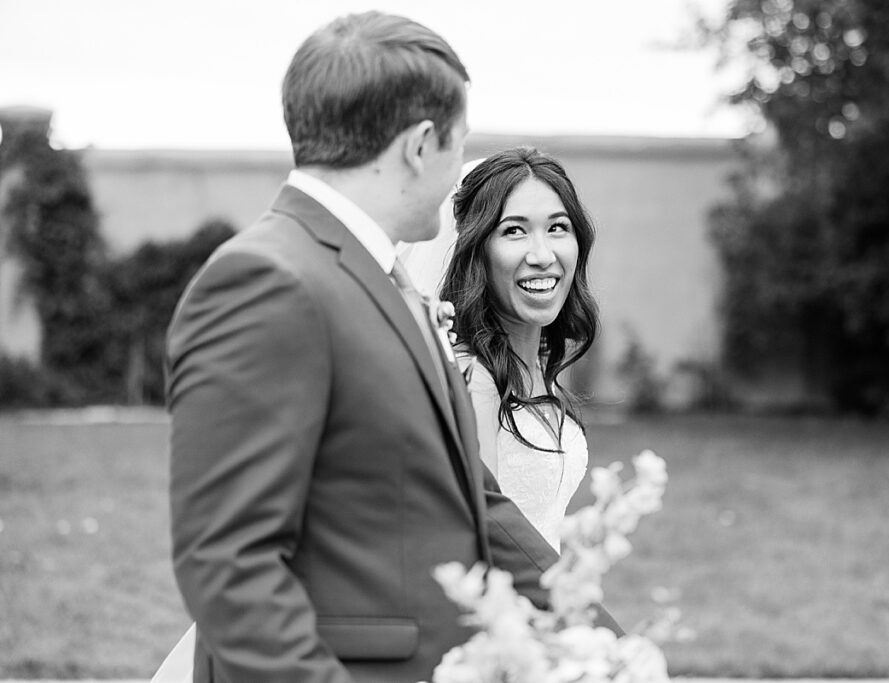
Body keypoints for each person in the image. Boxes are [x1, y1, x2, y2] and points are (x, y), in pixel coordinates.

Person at [161, 12, 618, 683]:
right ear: (421, 144)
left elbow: (476, 505)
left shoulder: (390, 281)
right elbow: (229, 562)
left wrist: (603, 641)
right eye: (458, 145)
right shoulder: (265, 280)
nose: (461, 166)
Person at [436, 147, 598, 552]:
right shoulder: (475, 383)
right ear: (477, 251)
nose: (542, 255)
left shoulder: (536, 364)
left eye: (558, 227)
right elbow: (480, 544)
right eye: (514, 230)